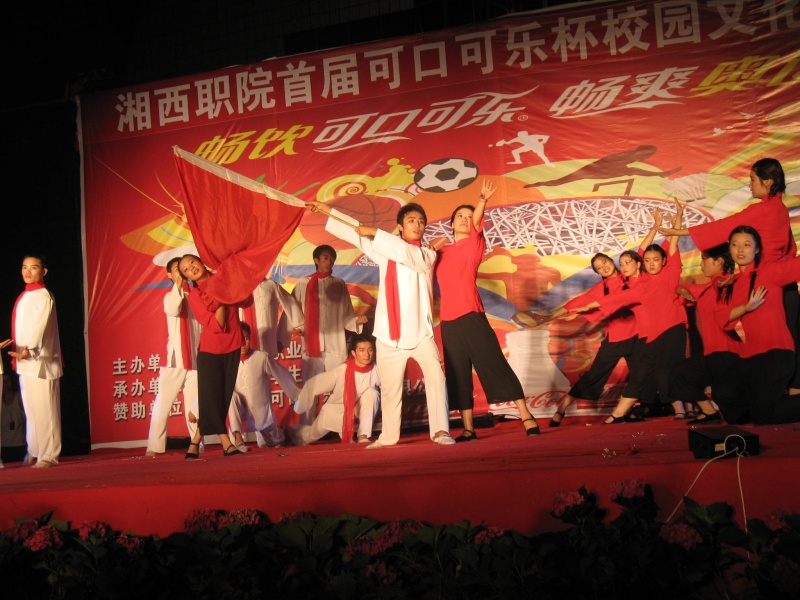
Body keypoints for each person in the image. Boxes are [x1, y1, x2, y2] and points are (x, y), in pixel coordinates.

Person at [305, 201, 455, 447]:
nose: (417, 225)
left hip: (420, 333)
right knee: (390, 390)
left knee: (437, 380)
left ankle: (440, 431)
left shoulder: (426, 254)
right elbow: (356, 232)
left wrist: (376, 232)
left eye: (421, 222)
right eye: (411, 221)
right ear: (400, 226)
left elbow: (406, 254)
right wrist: (326, 210)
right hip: (389, 335)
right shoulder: (386, 252)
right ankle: (388, 437)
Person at [659, 158, 799, 392]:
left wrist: (679, 231)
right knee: (786, 340)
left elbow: (726, 227)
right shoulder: (781, 210)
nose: (750, 185)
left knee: (773, 343)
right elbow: (789, 249)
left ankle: (785, 396)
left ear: (767, 182)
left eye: (752, 180)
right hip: (778, 282)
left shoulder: (763, 210)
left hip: (766, 280)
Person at [431, 180, 539, 440]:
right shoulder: (440, 252)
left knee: (494, 363)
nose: (464, 220)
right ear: (451, 223)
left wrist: (481, 200)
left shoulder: (474, 244)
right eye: (460, 216)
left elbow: (477, 220)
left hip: (472, 315)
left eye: (469, 217)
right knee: (457, 373)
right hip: (448, 322)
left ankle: (526, 415)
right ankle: (468, 428)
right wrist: (430, 250)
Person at [571, 203, 688, 423]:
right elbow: (614, 299)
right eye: (622, 263)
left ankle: (683, 408)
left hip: (671, 330)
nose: (650, 263)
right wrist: (590, 306)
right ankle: (625, 413)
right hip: (648, 335)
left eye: (655, 260)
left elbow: (671, 242)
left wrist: (672, 222)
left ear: (663, 261)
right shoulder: (637, 283)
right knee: (647, 374)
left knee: (666, 370)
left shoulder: (668, 272)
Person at [535, 251, 644, 427]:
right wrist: (549, 316)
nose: (604, 267)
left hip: (639, 335)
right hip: (616, 339)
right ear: (598, 273)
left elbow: (641, 259)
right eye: (599, 268)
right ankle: (562, 408)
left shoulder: (629, 276)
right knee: (593, 376)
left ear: (611, 261)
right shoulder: (601, 288)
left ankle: (629, 411)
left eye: (604, 262)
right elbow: (576, 303)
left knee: (642, 375)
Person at [717, 226, 800, 424]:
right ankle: (759, 410)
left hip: (776, 352)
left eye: (747, 245)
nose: (740, 250)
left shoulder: (769, 271)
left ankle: (762, 411)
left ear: (756, 249)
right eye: (735, 245)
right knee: (723, 394)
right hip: (751, 355)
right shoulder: (733, 283)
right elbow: (723, 319)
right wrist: (746, 308)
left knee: (764, 415)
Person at [0, 254, 63, 468]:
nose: (27, 271)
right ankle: (34, 450)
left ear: (43, 272)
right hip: (25, 361)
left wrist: (30, 349)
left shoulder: (44, 296)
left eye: (33, 267)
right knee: (32, 411)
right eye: (24, 267)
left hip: (41, 361)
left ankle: (49, 454)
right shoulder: (25, 296)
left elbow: (40, 327)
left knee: (46, 411)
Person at [292, 245, 366, 423]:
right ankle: (306, 427)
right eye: (325, 258)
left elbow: (347, 314)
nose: (329, 261)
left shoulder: (339, 284)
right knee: (310, 387)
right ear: (316, 260)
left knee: (341, 385)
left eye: (332, 258)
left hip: (335, 343)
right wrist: (297, 327)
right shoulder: (303, 283)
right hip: (312, 345)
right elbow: (293, 311)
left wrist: (356, 321)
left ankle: (337, 424)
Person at [178, 254, 243, 457]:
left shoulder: (223, 280)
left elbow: (245, 300)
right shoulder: (195, 295)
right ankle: (226, 443)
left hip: (233, 345)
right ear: (187, 277)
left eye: (192, 262)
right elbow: (216, 325)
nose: (191, 268)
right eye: (186, 270)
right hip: (210, 351)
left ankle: (194, 442)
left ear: (201, 261)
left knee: (223, 398)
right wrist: (222, 298)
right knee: (212, 398)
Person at [669, 243, 740, 425]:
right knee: (680, 373)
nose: (701, 264)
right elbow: (680, 287)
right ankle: (709, 412)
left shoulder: (727, 284)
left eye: (704, 259)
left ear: (719, 262)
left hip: (728, 352)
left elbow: (723, 282)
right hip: (711, 355)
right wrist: (683, 290)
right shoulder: (706, 289)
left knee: (736, 413)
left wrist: (721, 282)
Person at [145, 257, 203, 457]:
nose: (182, 272)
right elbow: (172, 309)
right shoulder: (170, 296)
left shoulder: (196, 294)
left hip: (195, 359)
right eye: (177, 270)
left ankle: (196, 444)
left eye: (184, 269)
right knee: (163, 403)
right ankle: (154, 446)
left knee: (193, 405)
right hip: (175, 360)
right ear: (169, 275)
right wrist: (179, 285)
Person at [287, 332, 380, 446]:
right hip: (334, 412)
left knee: (372, 393)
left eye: (370, 350)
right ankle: (293, 431)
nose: (366, 354)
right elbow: (313, 384)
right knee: (310, 437)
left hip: (354, 410)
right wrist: (300, 406)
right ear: (353, 353)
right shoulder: (342, 370)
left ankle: (363, 435)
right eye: (362, 350)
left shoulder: (376, 368)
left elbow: (387, 387)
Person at [228, 322, 300, 451]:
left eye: (245, 338)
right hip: (240, 410)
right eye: (239, 339)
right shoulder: (228, 361)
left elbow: (281, 374)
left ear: (250, 338)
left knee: (274, 444)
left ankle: (281, 434)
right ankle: (238, 439)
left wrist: (297, 395)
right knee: (230, 397)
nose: (243, 343)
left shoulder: (261, 357)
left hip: (261, 413)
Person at [1, 372, 27, 465]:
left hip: (19, 446)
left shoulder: (20, 398)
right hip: (3, 447)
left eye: (8, 381)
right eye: (3, 381)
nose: (5, 384)